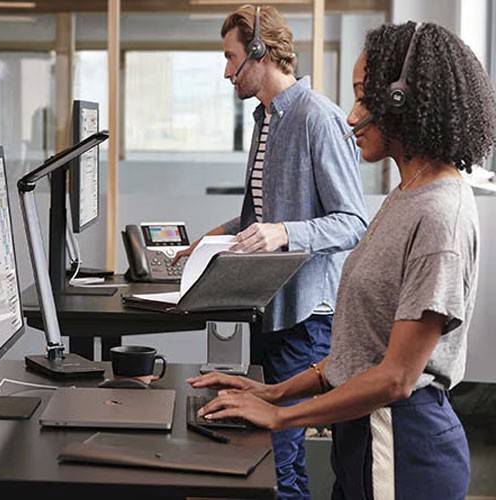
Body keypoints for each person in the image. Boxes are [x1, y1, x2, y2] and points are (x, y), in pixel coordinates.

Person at [189, 20, 495, 500]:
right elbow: (362, 351)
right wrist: (275, 390)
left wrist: (282, 417)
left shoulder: (441, 214)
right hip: (364, 441)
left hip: (402, 448)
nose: (351, 117)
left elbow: (396, 378)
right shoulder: (406, 195)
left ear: (401, 100)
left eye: (363, 96)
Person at [174, 5, 367, 499]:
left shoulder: (316, 118)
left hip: (308, 316)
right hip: (270, 307)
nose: (225, 71)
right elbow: (260, 214)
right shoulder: (268, 120)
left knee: (280, 455)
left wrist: (284, 232)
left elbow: (352, 223)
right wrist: (210, 238)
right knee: (270, 452)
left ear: (260, 53)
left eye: (230, 57)